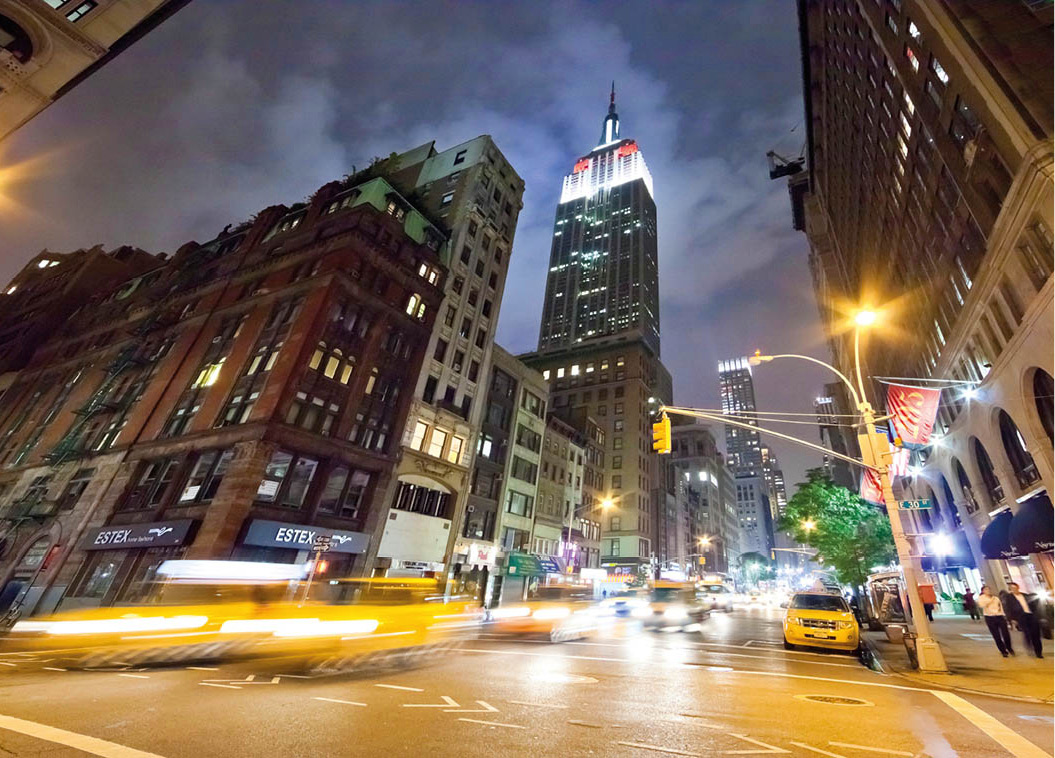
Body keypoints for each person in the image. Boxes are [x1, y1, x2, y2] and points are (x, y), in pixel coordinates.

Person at [1004, 582, 1044, 659]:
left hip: (1031, 615)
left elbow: (1034, 604)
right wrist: (1012, 619)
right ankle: (1029, 644)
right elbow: (1008, 609)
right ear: (1011, 589)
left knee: (1036, 633)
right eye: (1012, 588)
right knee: (1027, 632)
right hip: (1021, 617)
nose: (1014, 589)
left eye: (1015, 588)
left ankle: (1038, 652)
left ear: (1018, 587)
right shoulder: (1009, 598)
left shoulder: (1025, 595)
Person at [976, 585, 1014, 657]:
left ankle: (1009, 647)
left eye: (989, 589)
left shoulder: (996, 598)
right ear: (983, 591)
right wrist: (990, 600)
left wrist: (1003, 615)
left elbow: (1000, 607)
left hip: (999, 616)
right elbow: (982, 605)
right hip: (990, 618)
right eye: (986, 590)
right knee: (996, 635)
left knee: (1005, 634)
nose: (988, 591)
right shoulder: (981, 598)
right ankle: (1003, 651)